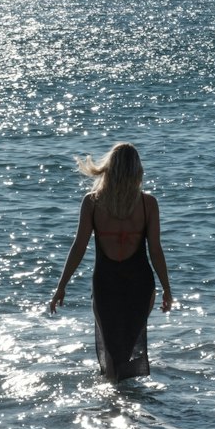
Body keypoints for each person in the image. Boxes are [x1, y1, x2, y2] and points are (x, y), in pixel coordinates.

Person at [49, 143, 173, 382]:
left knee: (113, 347)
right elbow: (155, 251)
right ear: (137, 171)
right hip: (140, 282)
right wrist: (167, 288)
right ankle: (123, 402)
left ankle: (115, 403)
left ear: (109, 169)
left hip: (106, 282)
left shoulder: (93, 202)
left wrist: (61, 286)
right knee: (123, 348)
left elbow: (79, 247)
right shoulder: (148, 204)